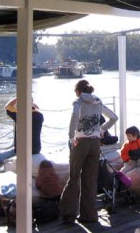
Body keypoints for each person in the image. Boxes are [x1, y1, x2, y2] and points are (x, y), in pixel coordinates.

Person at [59, 79, 117, 225]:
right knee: (90, 180)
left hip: (80, 142)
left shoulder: (78, 102)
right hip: (95, 143)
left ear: (78, 91)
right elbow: (114, 117)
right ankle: (89, 215)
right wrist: (102, 129)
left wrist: (71, 136)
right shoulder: (98, 101)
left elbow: (74, 116)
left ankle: (68, 214)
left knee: (73, 178)